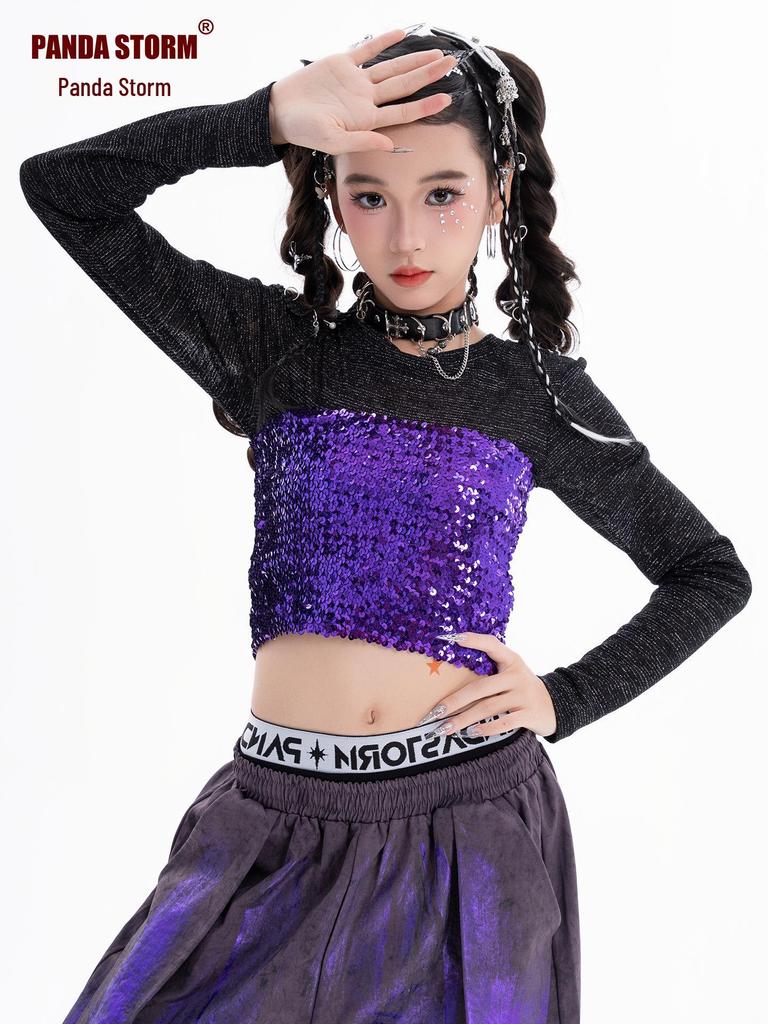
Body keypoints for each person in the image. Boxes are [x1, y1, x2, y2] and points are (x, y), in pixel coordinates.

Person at [19, 24, 752, 1024]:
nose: (406, 239)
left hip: (468, 838)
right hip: (269, 825)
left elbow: (708, 570)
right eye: (370, 196)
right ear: (332, 195)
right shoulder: (272, 350)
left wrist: (564, 698)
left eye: (443, 194)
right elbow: (63, 188)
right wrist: (263, 118)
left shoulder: (534, 394)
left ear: (498, 193)